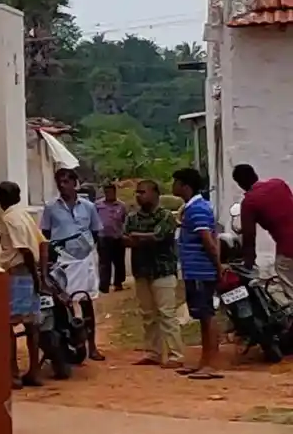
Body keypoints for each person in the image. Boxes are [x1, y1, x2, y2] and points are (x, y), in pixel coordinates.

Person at [40, 164, 103, 361]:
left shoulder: (89, 207)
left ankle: (92, 345)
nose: (62, 185)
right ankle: (71, 341)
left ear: (75, 184)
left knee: (86, 300)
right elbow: (46, 234)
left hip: (84, 259)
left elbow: (95, 231)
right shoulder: (51, 207)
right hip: (63, 260)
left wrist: (86, 249)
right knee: (64, 301)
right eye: (59, 182)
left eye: (66, 181)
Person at [121, 175, 185, 367]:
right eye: (137, 193)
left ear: (155, 194)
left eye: (143, 192)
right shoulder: (132, 217)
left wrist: (137, 237)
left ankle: (175, 355)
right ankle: (153, 352)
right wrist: (143, 238)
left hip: (163, 270)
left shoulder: (165, 216)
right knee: (148, 314)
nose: (139, 196)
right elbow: (125, 238)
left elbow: (158, 237)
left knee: (167, 314)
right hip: (142, 271)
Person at [0, 179, 51, 385]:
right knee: (32, 325)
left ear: (2, 198)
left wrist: (37, 278)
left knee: (7, 324)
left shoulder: (9, 218)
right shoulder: (25, 216)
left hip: (18, 274)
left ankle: (13, 372)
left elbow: (24, 249)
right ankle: (34, 371)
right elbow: (43, 244)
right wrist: (41, 275)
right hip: (30, 273)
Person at [173, 165, 225, 377]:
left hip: (201, 270)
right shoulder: (192, 207)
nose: (172, 186)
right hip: (194, 269)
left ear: (185, 186)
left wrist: (218, 266)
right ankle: (204, 361)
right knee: (202, 314)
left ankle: (210, 364)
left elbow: (208, 241)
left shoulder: (197, 209)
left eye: (175, 182)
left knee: (207, 315)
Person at [232, 159, 293, 276]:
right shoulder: (279, 183)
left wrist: (249, 262)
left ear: (240, 184)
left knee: (283, 269)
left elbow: (249, 235)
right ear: (255, 175)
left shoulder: (249, 202)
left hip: (288, 249)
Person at [93, 176, 129, 296]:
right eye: (106, 192)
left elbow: (125, 220)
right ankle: (104, 286)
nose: (109, 194)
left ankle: (118, 283)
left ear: (115, 192)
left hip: (117, 237)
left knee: (119, 262)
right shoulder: (97, 205)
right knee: (104, 263)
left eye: (111, 192)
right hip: (103, 237)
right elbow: (93, 220)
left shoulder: (121, 206)